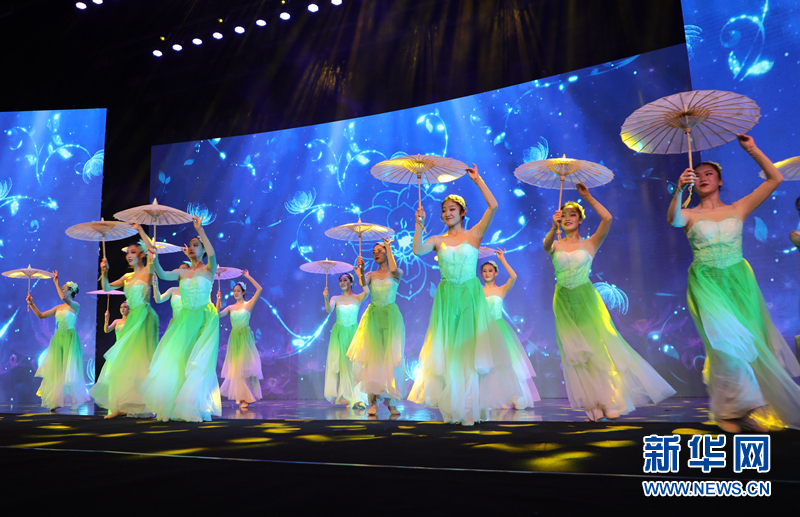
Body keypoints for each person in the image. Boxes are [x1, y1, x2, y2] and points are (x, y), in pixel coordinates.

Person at [669, 134, 800, 432]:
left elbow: (775, 178)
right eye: (697, 175)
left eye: (709, 174)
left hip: (739, 283)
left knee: (748, 346)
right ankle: (737, 409)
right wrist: (678, 189)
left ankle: (738, 410)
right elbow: (673, 219)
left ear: (719, 181)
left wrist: (751, 149)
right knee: (725, 345)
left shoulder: (738, 208)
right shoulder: (688, 214)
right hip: (706, 284)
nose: (703, 178)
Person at [546, 183, 675, 422]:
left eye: (572, 214)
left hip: (586, 300)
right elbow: (545, 246)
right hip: (563, 302)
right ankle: (594, 407)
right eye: (563, 215)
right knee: (576, 355)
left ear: (580, 219)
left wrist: (588, 197)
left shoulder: (590, 243)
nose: (567, 218)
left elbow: (607, 219)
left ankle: (611, 401)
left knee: (597, 351)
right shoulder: (556, 245)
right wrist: (553, 228)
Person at [408, 164, 520, 426]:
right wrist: (418, 224)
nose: (447, 213)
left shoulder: (474, 235)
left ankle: (469, 407)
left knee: (469, 352)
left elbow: (493, 206)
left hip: (470, 297)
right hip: (447, 299)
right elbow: (417, 250)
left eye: (452, 209)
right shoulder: (438, 240)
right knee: (451, 352)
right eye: (444, 210)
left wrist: (478, 180)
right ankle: (454, 406)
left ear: (462, 212)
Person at [141, 216, 221, 422]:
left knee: (198, 361)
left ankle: (194, 405)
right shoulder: (182, 272)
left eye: (196, 245)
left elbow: (213, 254)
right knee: (180, 360)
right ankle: (179, 404)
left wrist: (200, 230)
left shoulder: (209, 269)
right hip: (185, 319)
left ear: (202, 250)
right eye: (191, 245)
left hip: (205, 318)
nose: (192, 248)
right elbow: (162, 274)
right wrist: (154, 258)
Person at [91, 232, 159, 419]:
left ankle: (145, 403)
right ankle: (123, 404)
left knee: (141, 359)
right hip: (132, 319)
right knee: (126, 360)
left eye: (133, 252)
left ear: (142, 254)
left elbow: (152, 251)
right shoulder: (128, 276)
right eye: (128, 252)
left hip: (144, 318)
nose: (129, 255)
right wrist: (104, 271)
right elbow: (106, 288)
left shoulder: (148, 271)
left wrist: (140, 230)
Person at [347, 239, 405, 416]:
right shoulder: (370, 274)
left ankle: (391, 402)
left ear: (387, 252)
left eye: (380, 250)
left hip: (390, 318)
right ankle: (374, 401)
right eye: (374, 252)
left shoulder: (396, 272)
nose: (376, 254)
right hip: (373, 318)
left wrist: (389, 247)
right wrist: (361, 270)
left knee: (390, 360)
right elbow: (363, 284)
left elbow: (394, 269)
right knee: (374, 360)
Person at [481, 249, 540, 409]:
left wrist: (502, 260)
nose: (487, 273)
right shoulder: (478, 291)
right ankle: (490, 398)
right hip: (483, 330)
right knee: (486, 363)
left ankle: (512, 396)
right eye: (484, 271)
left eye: (490, 270)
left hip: (500, 329)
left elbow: (513, 277)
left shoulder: (501, 289)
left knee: (506, 362)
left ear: (496, 272)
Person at [26, 271, 90, 411]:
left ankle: (76, 399)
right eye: (62, 287)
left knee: (70, 369)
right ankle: (57, 400)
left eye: (64, 287)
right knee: (57, 369)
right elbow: (41, 315)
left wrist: (56, 282)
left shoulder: (75, 306)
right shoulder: (58, 308)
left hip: (70, 339)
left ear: (71, 291)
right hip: (58, 339)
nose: (62, 288)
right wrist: (32, 304)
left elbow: (62, 297)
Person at [216, 270, 264, 409]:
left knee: (244, 369)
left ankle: (247, 398)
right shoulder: (231, 307)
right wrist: (218, 299)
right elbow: (217, 314)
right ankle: (243, 397)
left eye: (238, 291)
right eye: (234, 291)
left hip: (245, 338)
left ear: (243, 292)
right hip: (234, 339)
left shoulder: (248, 305)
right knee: (237, 369)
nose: (236, 293)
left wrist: (248, 276)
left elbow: (259, 289)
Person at [324, 272, 369, 409]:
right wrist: (326, 297)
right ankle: (349, 397)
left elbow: (367, 291)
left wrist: (360, 274)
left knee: (356, 364)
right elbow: (329, 310)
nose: (342, 282)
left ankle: (359, 397)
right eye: (340, 280)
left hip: (354, 333)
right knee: (344, 365)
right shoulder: (335, 298)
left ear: (351, 282)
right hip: (340, 334)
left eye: (345, 280)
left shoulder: (358, 297)